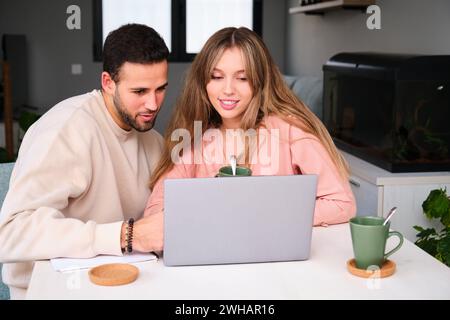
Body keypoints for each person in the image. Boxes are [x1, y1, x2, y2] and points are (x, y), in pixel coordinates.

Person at [0, 24, 168, 299]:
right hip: (53, 287)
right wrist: (126, 235)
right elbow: (9, 234)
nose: (153, 103)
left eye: (160, 88)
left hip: (126, 283)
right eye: (139, 91)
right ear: (107, 82)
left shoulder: (153, 142)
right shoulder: (65, 130)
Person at [145, 27, 356, 227]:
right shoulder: (193, 136)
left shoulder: (290, 130)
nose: (228, 89)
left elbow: (342, 203)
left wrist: (271, 216)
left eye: (243, 78)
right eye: (217, 77)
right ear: (203, 82)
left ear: (260, 81)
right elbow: (156, 208)